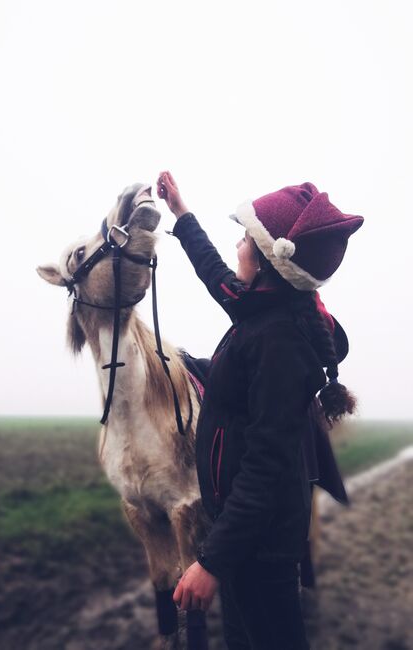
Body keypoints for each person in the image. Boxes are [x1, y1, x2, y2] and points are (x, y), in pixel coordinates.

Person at [157, 171, 363, 650]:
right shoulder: (264, 309)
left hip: (258, 543)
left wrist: (212, 561)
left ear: (271, 260)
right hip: (246, 540)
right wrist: (182, 214)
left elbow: (265, 465)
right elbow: (216, 275)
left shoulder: (278, 340)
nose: (237, 246)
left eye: (246, 238)